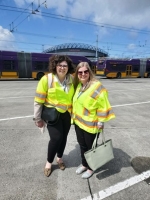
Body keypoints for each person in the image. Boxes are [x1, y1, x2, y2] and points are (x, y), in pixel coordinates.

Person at [72, 62, 115, 179]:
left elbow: (103, 105)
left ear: (89, 72)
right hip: (79, 123)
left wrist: (101, 121)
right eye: (80, 72)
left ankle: (91, 168)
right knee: (82, 146)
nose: (83, 74)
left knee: (91, 148)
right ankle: (84, 164)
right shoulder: (79, 86)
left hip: (91, 124)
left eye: (85, 71)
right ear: (77, 74)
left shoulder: (96, 86)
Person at [33, 55, 75, 177]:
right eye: (60, 65)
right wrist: (37, 118)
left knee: (64, 137)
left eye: (65, 66)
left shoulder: (72, 80)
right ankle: (49, 162)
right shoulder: (47, 79)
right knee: (56, 138)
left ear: (68, 67)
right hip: (52, 114)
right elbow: (38, 100)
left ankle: (60, 158)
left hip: (66, 114)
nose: (62, 68)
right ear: (55, 66)